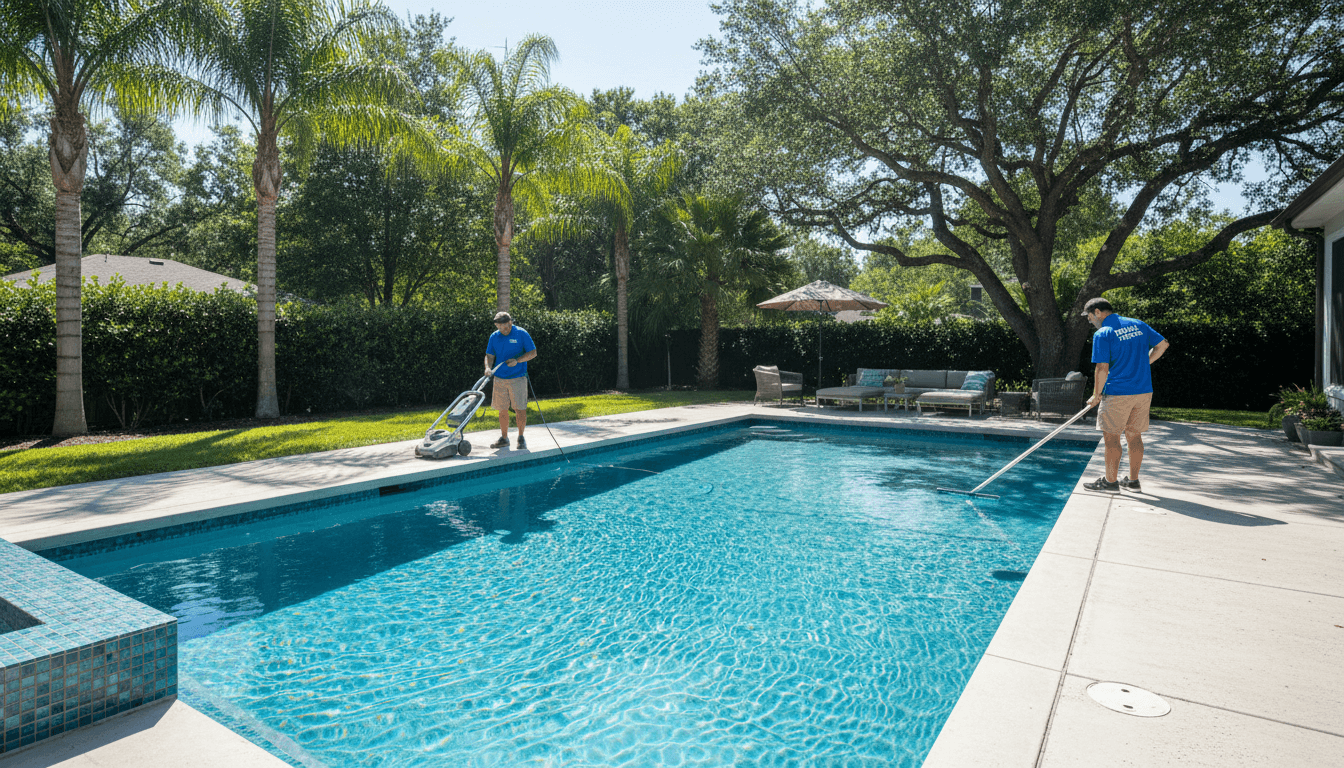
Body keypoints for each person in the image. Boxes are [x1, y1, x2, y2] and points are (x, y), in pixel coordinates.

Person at [1081, 298, 1169, 492]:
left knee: (1112, 438)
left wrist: (1096, 395)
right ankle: (1133, 481)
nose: (1090, 322)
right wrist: (1145, 363)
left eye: (1089, 317)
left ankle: (1110, 482)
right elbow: (1163, 345)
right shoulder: (1138, 324)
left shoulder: (1103, 333)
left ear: (1097, 312)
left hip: (1118, 392)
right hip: (1143, 390)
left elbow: (1102, 367)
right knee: (1134, 435)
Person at [483, 311, 537, 449]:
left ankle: (521, 437)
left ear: (510, 322)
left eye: (504, 327)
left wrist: (517, 361)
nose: (502, 330)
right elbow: (489, 355)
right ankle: (504, 438)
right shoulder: (494, 337)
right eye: (499, 328)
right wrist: (488, 368)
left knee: (519, 409)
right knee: (502, 409)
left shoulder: (521, 333)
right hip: (500, 378)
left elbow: (533, 353)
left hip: (518, 378)